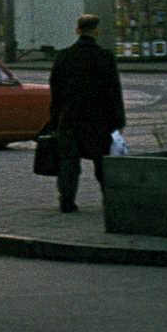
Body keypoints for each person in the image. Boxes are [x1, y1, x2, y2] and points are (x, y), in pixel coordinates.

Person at [48, 14, 127, 214]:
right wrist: (118, 121)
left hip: (69, 119)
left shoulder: (64, 56)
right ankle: (109, 201)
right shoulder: (104, 57)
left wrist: (55, 119)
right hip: (98, 120)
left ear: (77, 31)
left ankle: (66, 201)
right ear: (96, 31)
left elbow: (55, 92)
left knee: (68, 164)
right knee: (102, 163)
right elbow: (113, 91)